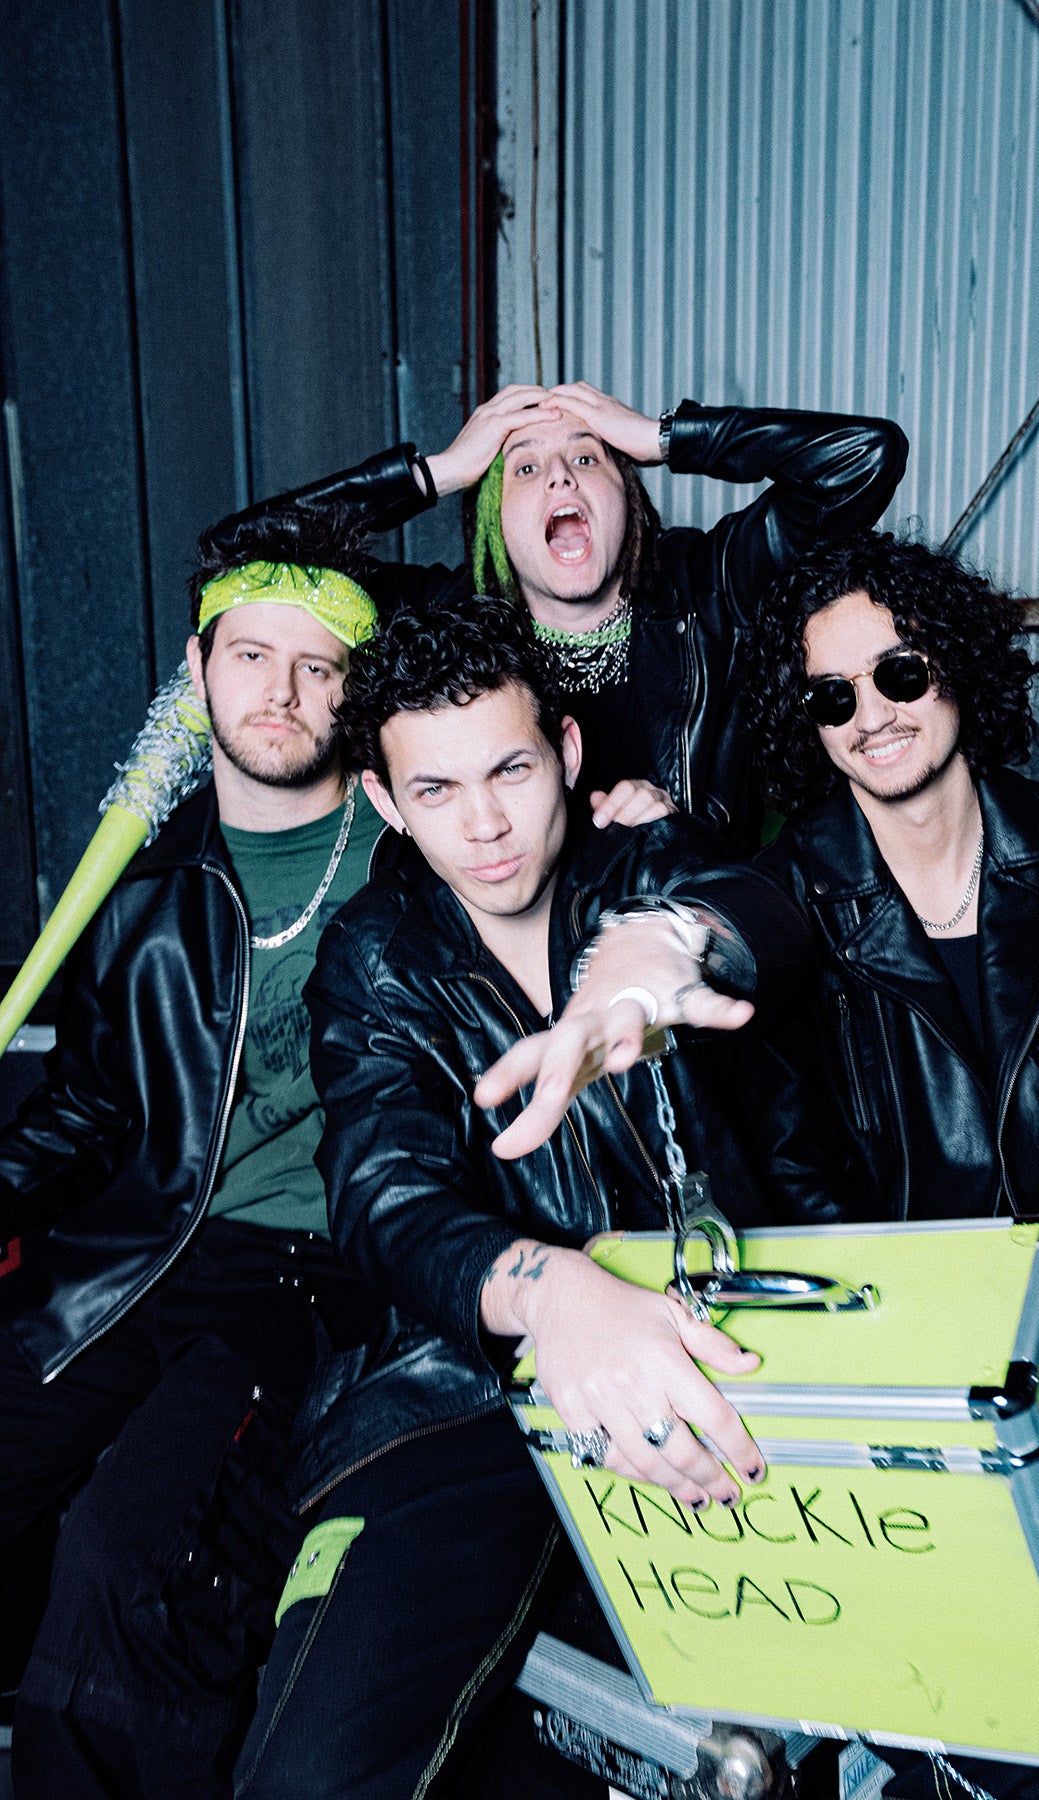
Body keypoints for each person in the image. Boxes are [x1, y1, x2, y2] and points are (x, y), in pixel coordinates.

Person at [232, 589, 809, 1799]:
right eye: (435, 792)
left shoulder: (650, 861)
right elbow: (380, 1195)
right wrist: (552, 1293)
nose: (486, 825)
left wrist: (665, 946)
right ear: (386, 801)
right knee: (312, 1772)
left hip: (716, 1359)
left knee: (765, 1755)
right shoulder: (375, 955)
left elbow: (774, 910)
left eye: (510, 769)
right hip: (452, 1396)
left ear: (569, 750)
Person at [741, 533, 1039, 1800]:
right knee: (1000, 1715)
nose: (871, 717)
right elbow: (792, 1158)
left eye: (895, 673)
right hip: (923, 1372)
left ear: (956, 669)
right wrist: (903, 1320)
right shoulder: (795, 900)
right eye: (830, 697)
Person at [0, 509, 386, 1799]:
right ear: (197, 668)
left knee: (132, 1564)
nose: (279, 692)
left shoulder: (422, 863)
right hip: (134, 1251)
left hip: (312, 1283)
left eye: (317, 664)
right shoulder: (148, 892)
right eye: (251, 656)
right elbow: (88, 1104)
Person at [208, 379, 908, 845]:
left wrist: (662, 437)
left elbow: (863, 458)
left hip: (699, 946)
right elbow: (241, 557)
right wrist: (441, 470)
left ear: (628, 501)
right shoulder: (442, 625)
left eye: (588, 457)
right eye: (524, 469)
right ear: (495, 526)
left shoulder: (709, 587)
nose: (561, 476)